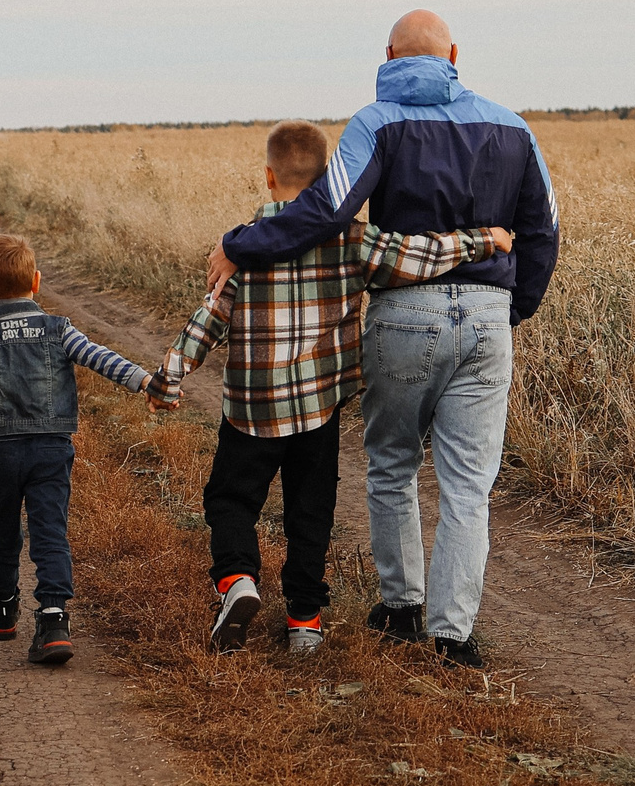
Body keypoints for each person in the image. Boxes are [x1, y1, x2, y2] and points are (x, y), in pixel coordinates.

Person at [206, 12, 559, 667]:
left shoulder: (377, 121)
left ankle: (400, 610)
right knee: (468, 483)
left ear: (389, 55)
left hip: (404, 317)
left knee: (393, 464)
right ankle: (452, 638)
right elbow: (543, 229)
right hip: (487, 315)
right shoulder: (514, 127)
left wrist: (239, 243)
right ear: (454, 53)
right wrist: (512, 309)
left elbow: (327, 209)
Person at [152, 121, 510, 657]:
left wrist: (171, 374)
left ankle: (238, 583)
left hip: (251, 409)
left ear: (268, 177)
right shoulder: (351, 239)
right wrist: (486, 239)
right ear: (327, 182)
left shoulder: (244, 246)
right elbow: (418, 255)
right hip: (317, 412)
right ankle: (305, 621)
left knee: (230, 500)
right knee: (309, 514)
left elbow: (209, 318)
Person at [0, 233, 153, 666]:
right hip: (49, 449)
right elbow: (99, 357)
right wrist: (144, 381)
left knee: (2, 527)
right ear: (37, 281)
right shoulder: (59, 330)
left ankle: (4, 610)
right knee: (49, 532)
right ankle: (54, 620)